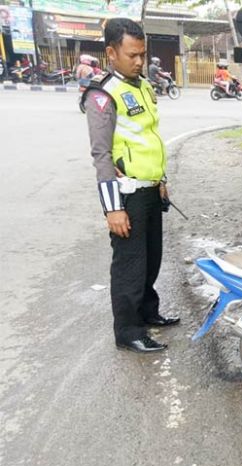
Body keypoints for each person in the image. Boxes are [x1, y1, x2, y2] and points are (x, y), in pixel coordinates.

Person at [82, 18, 180, 354]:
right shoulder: (102, 95)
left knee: (152, 258)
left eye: (143, 54)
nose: (139, 61)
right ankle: (127, 330)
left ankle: (148, 312)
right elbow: (102, 155)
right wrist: (113, 210)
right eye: (132, 55)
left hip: (150, 188)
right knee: (130, 265)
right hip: (127, 196)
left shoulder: (144, 87)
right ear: (111, 52)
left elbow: (149, 139)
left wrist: (161, 180)